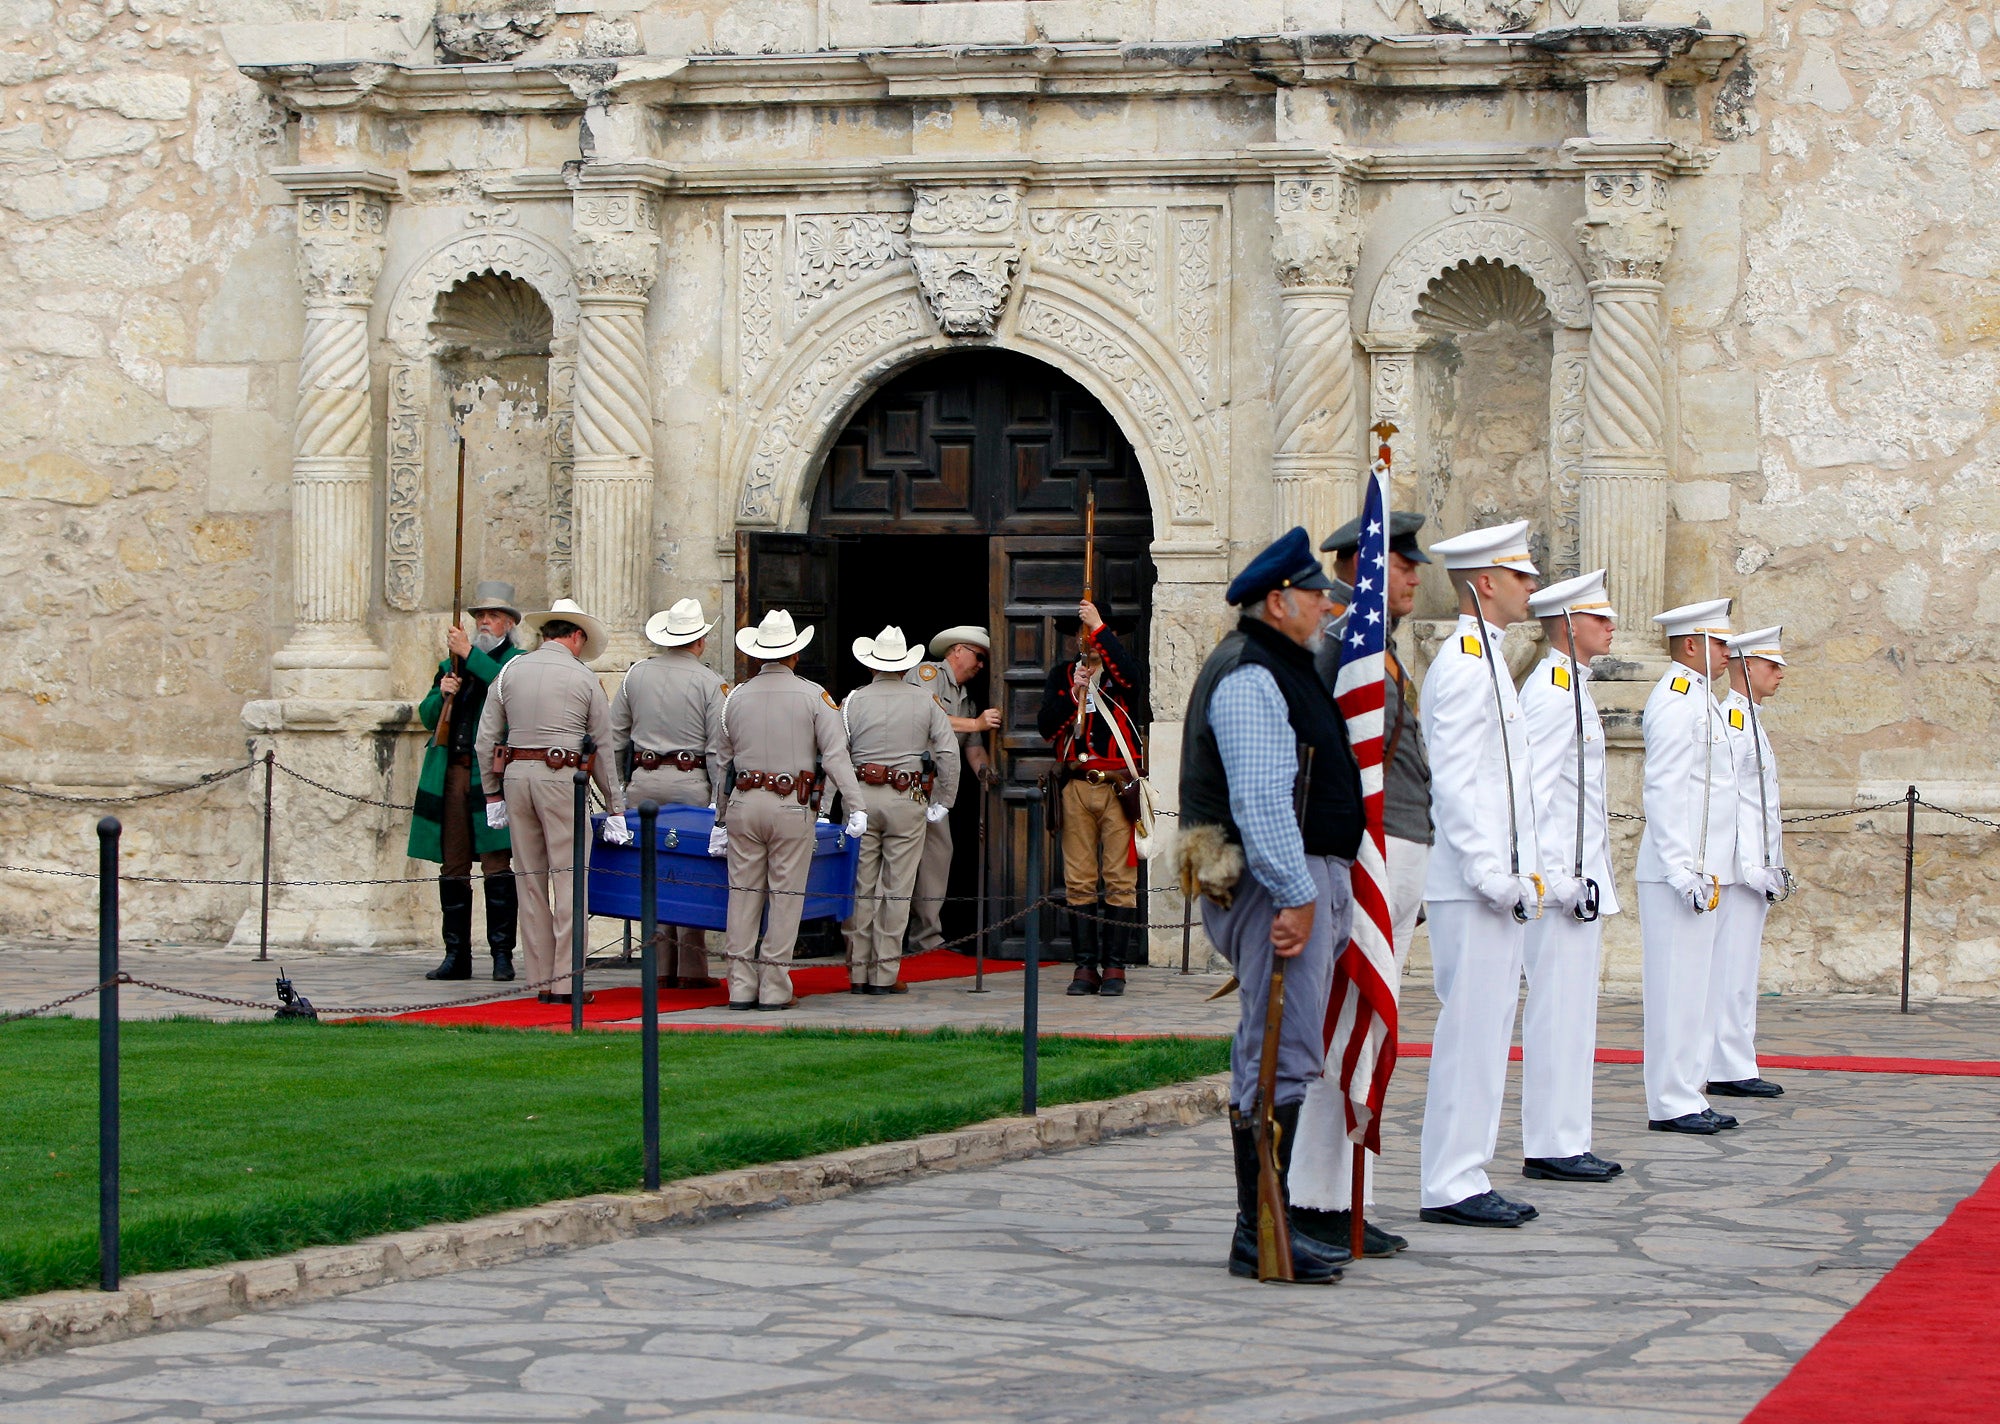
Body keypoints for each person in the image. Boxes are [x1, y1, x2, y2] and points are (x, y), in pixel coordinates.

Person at [1177, 526, 1363, 1282]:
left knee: (1280, 1049)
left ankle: (1272, 1220)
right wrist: (1295, 893)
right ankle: (1259, 1231)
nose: (1326, 606)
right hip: (1274, 882)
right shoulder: (1253, 673)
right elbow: (1260, 796)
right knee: (1275, 1051)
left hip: (1295, 876)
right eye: (1316, 594)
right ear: (1279, 599)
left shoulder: (1281, 663)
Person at [1288, 510, 1430, 1258]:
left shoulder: (1383, 652)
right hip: (1359, 857)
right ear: (1358, 566)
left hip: (1400, 854)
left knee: (1366, 1038)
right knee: (1336, 1027)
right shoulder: (1338, 650)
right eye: (1401, 563)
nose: (1411, 576)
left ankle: (1346, 1198)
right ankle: (1313, 1198)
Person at [1416, 520, 1551, 1229]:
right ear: (1487, 584)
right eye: (1522, 576)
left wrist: (1524, 869)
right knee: (1471, 1029)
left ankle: (1467, 1171)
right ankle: (1450, 1181)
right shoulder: (1467, 665)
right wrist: (1489, 870)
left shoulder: (1490, 658)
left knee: (1491, 1026)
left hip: (1496, 879)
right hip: (1473, 883)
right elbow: (1459, 782)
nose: (1532, 587)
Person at [1517, 569, 1625, 1183]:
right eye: (1599, 617)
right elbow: (1533, 795)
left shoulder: (1572, 687)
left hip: (1578, 884)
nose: (1611, 626)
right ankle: (1552, 1144)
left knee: (1575, 1015)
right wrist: (1553, 877)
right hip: (1562, 889)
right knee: (1557, 1014)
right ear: (1567, 624)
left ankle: (1567, 1136)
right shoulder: (1552, 691)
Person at [474, 599, 629, 1005]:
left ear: (545, 634)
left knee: (529, 881)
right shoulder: (582, 677)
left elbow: (485, 739)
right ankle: (565, 982)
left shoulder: (509, 671)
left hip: (516, 776)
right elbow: (604, 749)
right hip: (563, 779)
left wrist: (492, 792)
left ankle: (540, 978)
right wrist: (615, 807)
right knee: (570, 880)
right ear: (575, 635)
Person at [717, 609, 868, 1010]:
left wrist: (719, 814)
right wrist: (855, 806)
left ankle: (740, 985)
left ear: (758, 655)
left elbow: (722, 761)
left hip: (745, 802)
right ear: (795, 654)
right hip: (790, 804)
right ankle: (773, 986)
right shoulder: (813, 695)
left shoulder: (736, 696)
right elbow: (835, 757)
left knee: (743, 894)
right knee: (785, 897)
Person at [1638, 598, 1743, 1135]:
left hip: (1704, 870)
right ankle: (1670, 1098)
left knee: (1698, 990)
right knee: (1676, 990)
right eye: (1719, 642)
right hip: (1677, 871)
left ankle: (1690, 1092)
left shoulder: (1703, 700)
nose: (1727, 652)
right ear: (1690, 645)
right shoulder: (1677, 700)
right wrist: (1680, 866)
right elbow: (1663, 786)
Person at [409, 581, 525, 982]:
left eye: (493, 617)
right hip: (452, 772)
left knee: (497, 864)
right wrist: (443, 693)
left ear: (509, 623)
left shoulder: (516, 661)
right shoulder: (452, 666)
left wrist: (468, 655)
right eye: (480, 617)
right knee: (453, 864)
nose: (485, 623)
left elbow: (507, 686)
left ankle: (501, 955)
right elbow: (426, 717)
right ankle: (455, 955)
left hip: (490, 775)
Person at [609, 597, 727, 989]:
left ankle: (658, 965)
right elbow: (717, 749)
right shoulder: (710, 682)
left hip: (643, 780)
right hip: (689, 779)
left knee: (652, 874)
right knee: (690, 874)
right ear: (700, 641)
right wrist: (718, 800)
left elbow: (614, 741)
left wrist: (617, 789)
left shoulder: (635, 675)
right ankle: (692, 968)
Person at [1037, 597, 1152, 996]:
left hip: (1118, 786)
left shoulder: (1120, 674)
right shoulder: (1062, 675)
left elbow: (1133, 679)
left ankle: (1115, 967)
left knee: (1120, 880)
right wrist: (1073, 694)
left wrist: (1099, 626)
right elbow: (1046, 727)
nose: (1082, 639)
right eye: (1081, 632)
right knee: (1080, 880)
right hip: (1076, 787)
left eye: (1091, 631)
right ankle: (1085, 968)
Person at [842, 626, 960, 994]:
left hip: (861, 796)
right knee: (897, 888)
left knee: (861, 887)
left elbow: (834, 754)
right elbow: (948, 753)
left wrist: (832, 805)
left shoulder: (853, 700)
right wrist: (944, 799)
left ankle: (858, 972)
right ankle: (884, 974)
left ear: (872, 664)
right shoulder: (924, 700)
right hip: (906, 798)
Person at [1709, 624, 1791, 1101]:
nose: (1779, 673)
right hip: (1739, 870)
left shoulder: (1748, 719)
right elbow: (1732, 802)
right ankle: (1727, 1064)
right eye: (1770, 664)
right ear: (1743, 667)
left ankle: (1736, 1059)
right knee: (1731, 969)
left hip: (1753, 868)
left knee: (1741, 969)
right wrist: (1752, 865)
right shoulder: (1733, 722)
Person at [904, 628, 1000, 954]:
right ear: (957, 651)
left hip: (934, 793)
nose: (981, 665)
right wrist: (975, 724)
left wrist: (989, 776)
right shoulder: (926, 673)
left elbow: (973, 750)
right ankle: (883, 939)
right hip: (904, 784)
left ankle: (925, 941)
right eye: (979, 656)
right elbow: (926, 717)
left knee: (936, 860)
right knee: (896, 862)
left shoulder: (968, 699)